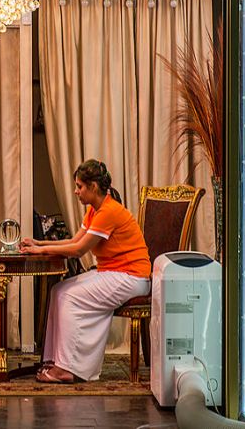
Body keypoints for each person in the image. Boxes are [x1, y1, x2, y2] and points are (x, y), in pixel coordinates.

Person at [20, 159, 151, 383]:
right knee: (59, 291)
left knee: (70, 296)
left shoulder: (108, 211)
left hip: (131, 277)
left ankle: (68, 369)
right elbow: (74, 240)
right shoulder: (94, 211)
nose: (76, 191)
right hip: (113, 272)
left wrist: (38, 252)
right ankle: (54, 360)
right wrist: (38, 245)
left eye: (79, 186)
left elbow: (79, 250)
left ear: (92, 187)